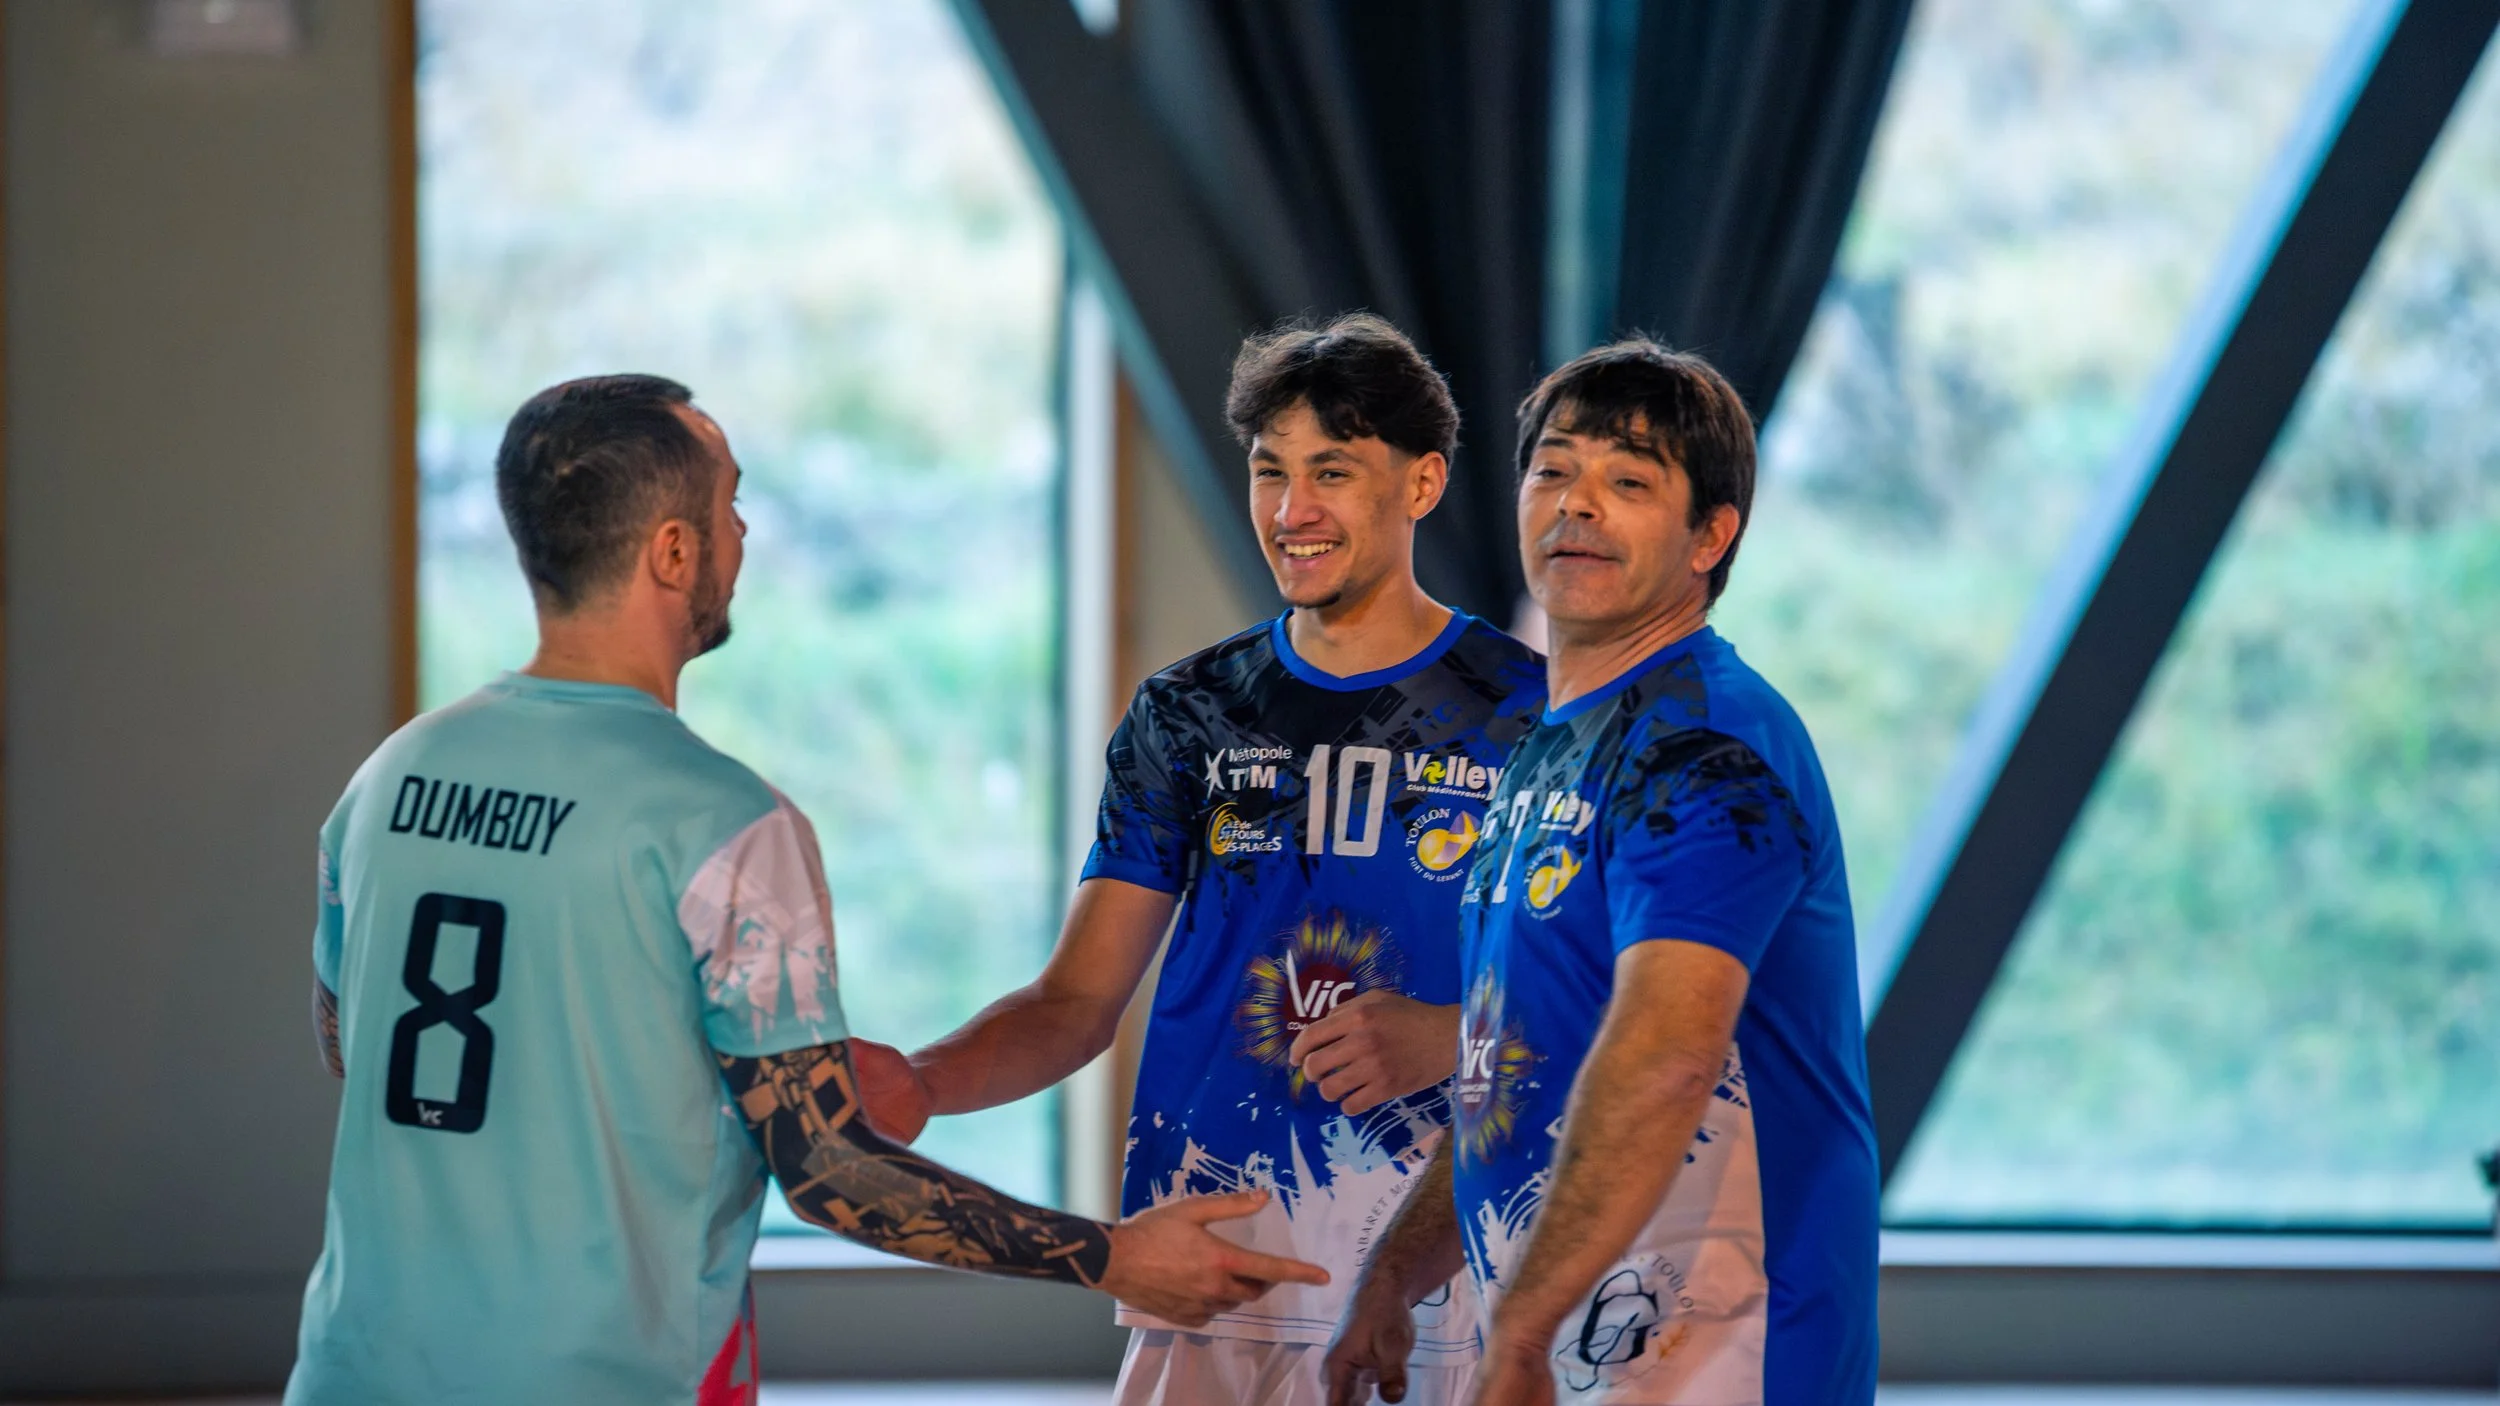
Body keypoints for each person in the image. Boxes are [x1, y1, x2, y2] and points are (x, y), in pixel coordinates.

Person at [285, 375, 1324, 1406]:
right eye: (728, 502)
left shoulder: (388, 777)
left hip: (351, 1365)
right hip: (606, 1374)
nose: (741, 532)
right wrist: (1111, 1255)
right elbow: (831, 1172)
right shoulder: (723, 820)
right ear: (673, 552)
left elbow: (351, 1040)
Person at [858, 315, 1546, 1405]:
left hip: (1449, 1272)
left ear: (1421, 483)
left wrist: (1446, 1038)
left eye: (1332, 470)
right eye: (1269, 471)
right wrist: (926, 1080)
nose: (1290, 509)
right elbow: (1077, 997)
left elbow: (1628, 1019)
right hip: (1214, 1267)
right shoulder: (1189, 712)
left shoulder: (1533, 713)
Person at [1323, 341, 1879, 1406]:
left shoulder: (1705, 748)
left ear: (1711, 535)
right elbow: (1513, 1060)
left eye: (1628, 481)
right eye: (1552, 470)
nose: (1576, 504)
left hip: (1727, 1339)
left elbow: (1666, 1051)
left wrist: (1521, 1332)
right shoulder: (1551, 745)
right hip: (1576, 1335)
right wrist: (1397, 1272)